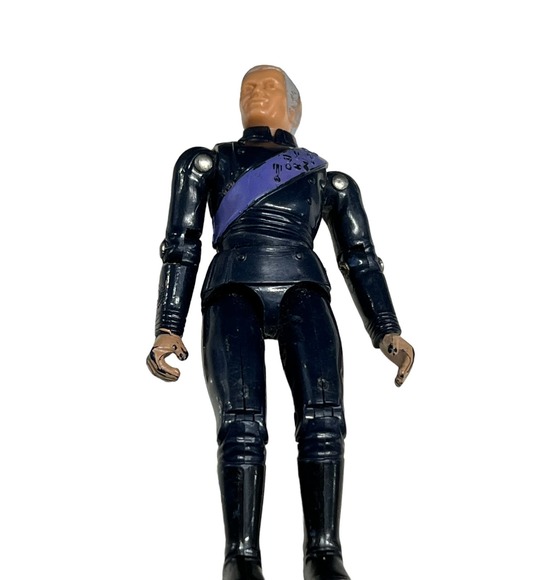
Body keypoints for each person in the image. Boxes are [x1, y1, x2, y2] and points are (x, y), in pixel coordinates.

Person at [147, 65, 414, 580]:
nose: (255, 92)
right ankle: (241, 557)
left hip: (303, 287)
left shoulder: (325, 179)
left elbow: (359, 257)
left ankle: (324, 553)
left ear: (295, 107)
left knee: (324, 418)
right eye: (248, 86)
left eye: (269, 87)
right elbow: (181, 246)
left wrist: (386, 328)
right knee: (241, 424)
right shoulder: (208, 162)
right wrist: (167, 325)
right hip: (232, 284)